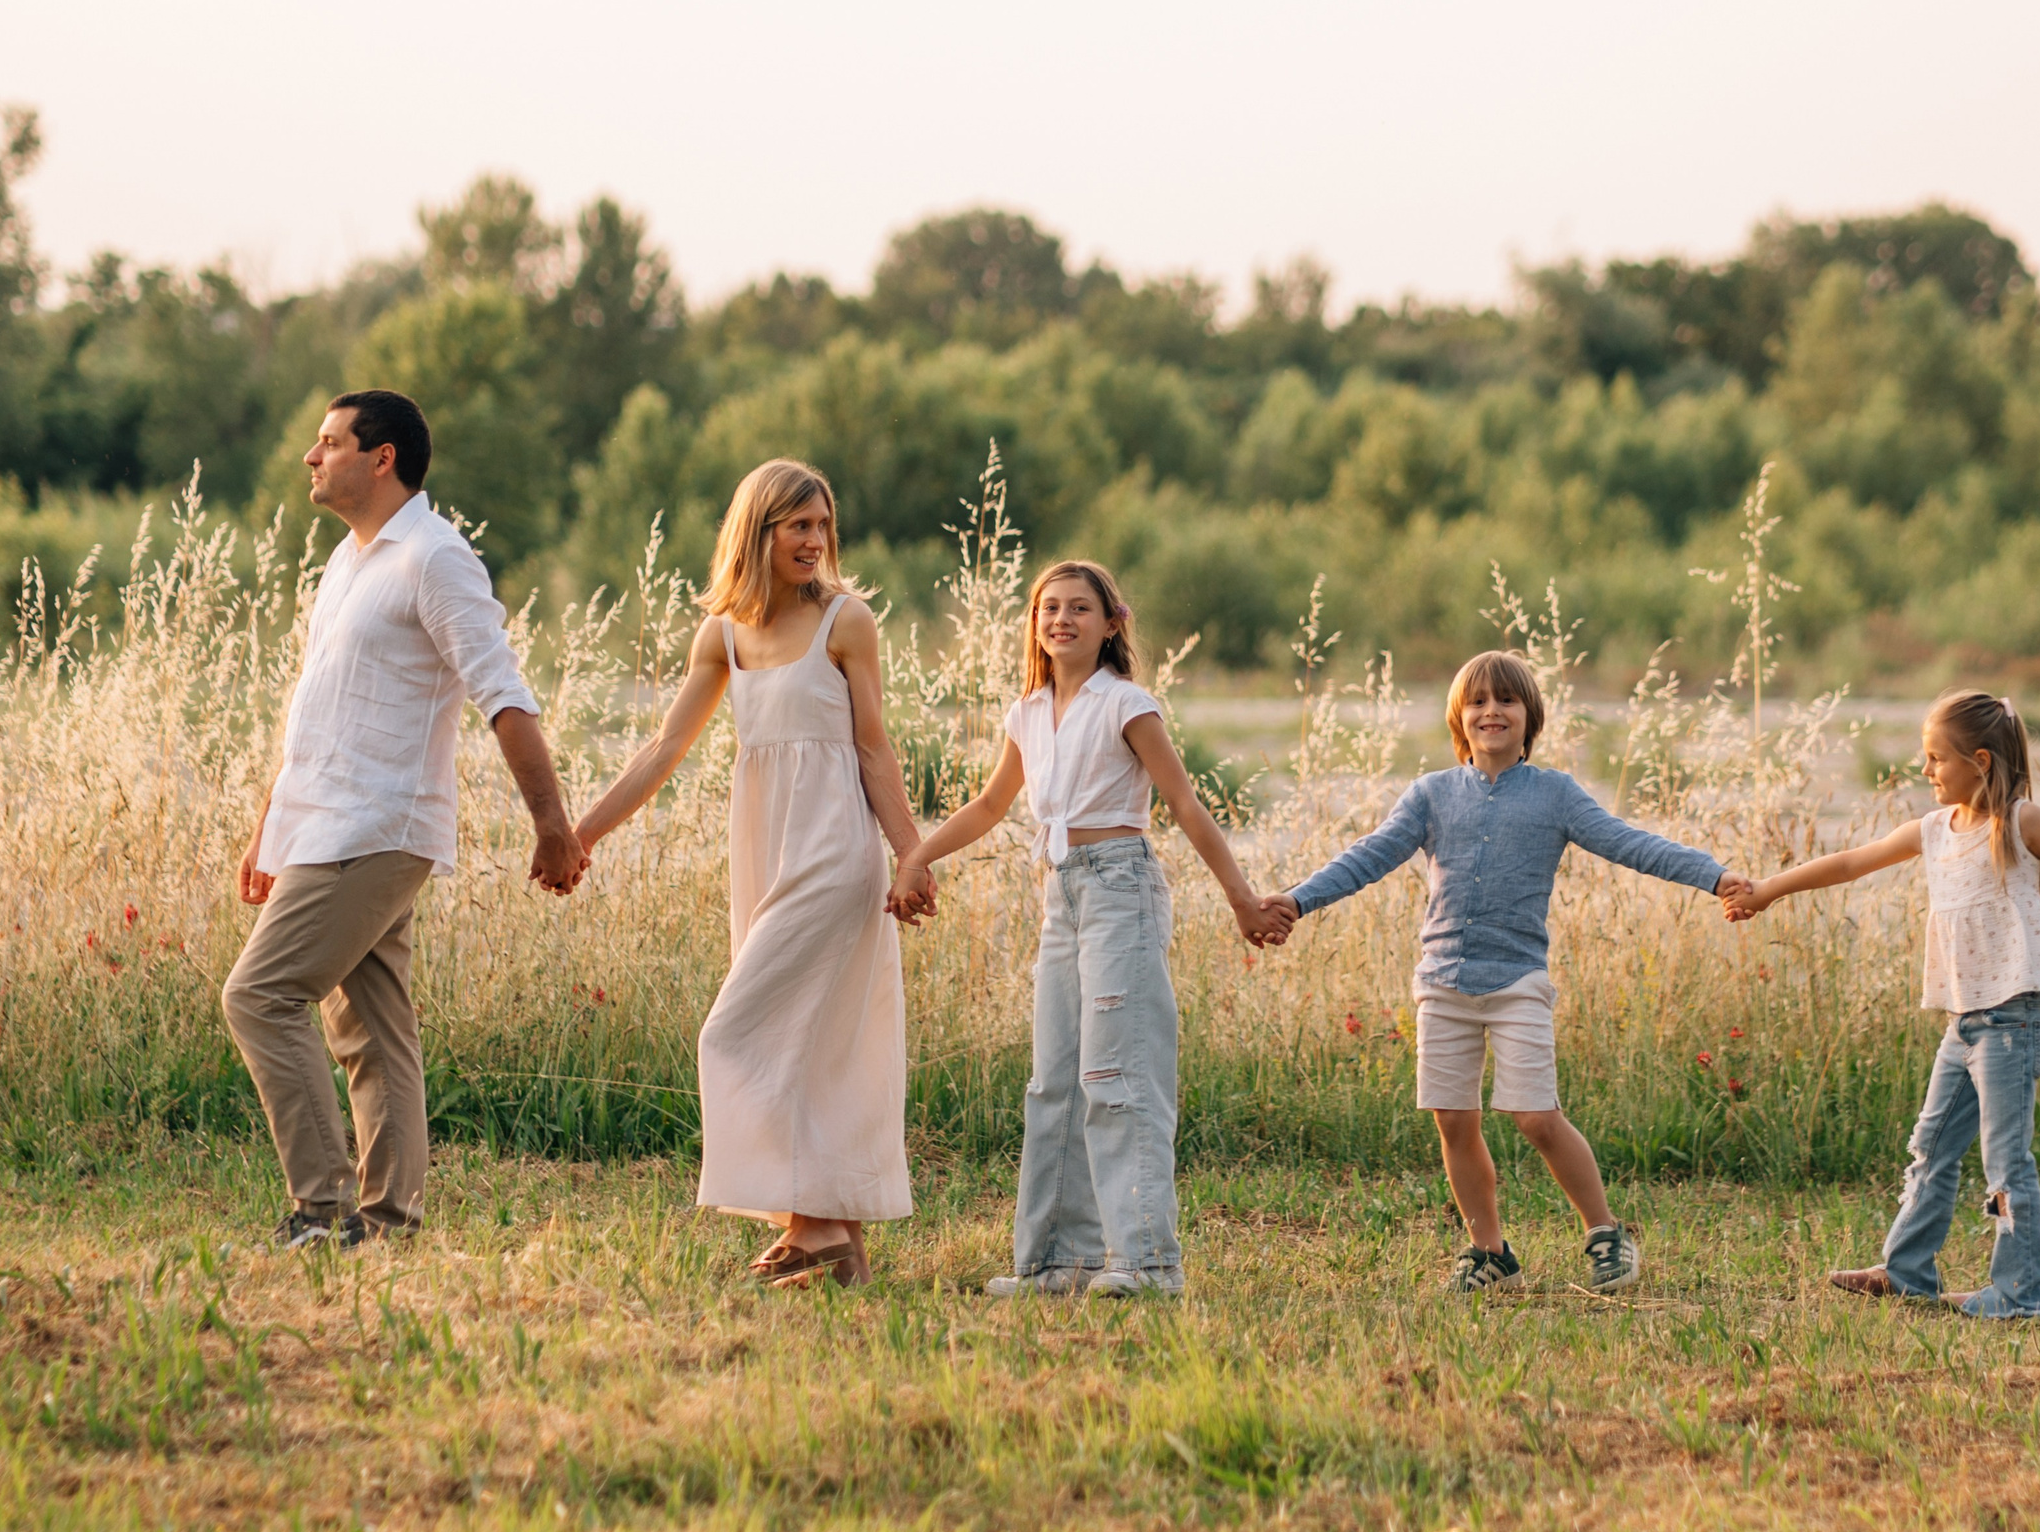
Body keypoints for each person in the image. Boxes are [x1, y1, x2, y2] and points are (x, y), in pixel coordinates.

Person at [1261, 649, 1745, 1296]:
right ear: (1459, 718)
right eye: (1479, 702)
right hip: (1443, 983)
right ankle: (1490, 1253)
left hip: (1518, 981)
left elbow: (1632, 843)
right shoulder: (1430, 795)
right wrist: (1296, 901)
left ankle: (1606, 1233)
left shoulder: (1556, 795)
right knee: (1454, 1120)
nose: (1492, 711)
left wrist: (1714, 877)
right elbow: (1367, 857)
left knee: (1536, 1116)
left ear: (1529, 717)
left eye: (1507, 700)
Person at [227, 389, 584, 1251]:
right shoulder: (347, 561)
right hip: (327, 821)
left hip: (379, 824)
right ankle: (388, 1225)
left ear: (381, 457)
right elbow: (319, 707)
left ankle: (321, 1211)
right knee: (373, 1030)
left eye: (329, 441)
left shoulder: (436, 558)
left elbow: (502, 692)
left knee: (261, 994)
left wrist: (552, 823)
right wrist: (272, 823)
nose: (312, 456)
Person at [1724, 689, 2040, 1317]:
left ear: (1979, 761)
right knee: (1931, 1147)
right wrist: (1767, 891)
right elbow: (1848, 863)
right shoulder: (1933, 830)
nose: (1925, 770)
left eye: (1936, 758)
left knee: (2005, 1161)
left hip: (2016, 1018)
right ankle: (1907, 1273)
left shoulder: (2022, 823)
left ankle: (2022, 1294)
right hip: (1964, 1022)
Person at [575, 460, 928, 1288]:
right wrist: (579, 833)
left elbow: (874, 746)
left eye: (823, 525)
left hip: (833, 852)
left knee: (734, 1033)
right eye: (798, 525)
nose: (815, 540)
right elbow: (664, 748)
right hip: (765, 855)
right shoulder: (722, 634)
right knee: (808, 1045)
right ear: (758, 530)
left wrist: (911, 855)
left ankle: (816, 1225)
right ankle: (831, 1237)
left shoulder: (847, 620)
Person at [890, 561, 1282, 1300]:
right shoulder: (1028, 712)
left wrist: (1241, 899)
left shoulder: (1127, 704)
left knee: (1117, 1076)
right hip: (1060, 896)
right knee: (1056, 1081)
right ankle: (1056, 1264)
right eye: (1049, 607)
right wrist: (916, 857)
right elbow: (989, 805)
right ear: (1035, 622)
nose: (1061, 619)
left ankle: (1147, 1263)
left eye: (1079, 608)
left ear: (1110, 624)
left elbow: (1186, 805)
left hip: (1120, 889)